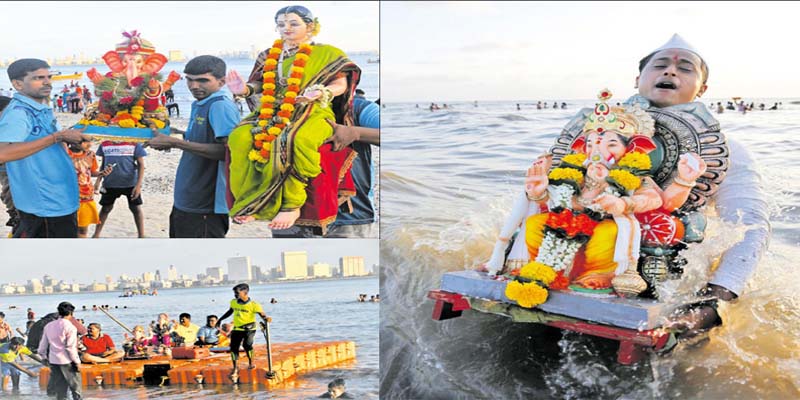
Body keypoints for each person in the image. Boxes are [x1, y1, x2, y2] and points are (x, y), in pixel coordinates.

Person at [225, 5, 362, 233]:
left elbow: (341, 84)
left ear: (310, 26)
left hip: (313, 110)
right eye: (281, 24)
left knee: (294, 138)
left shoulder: (328, 53)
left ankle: (292, 203)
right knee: (239, 137)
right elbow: (260, 83)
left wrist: (320, 93)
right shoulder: (269, 55)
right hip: (272, 110)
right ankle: (251, 202)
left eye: (293, 23)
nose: (286, 28)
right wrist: (244, 89)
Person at [147, 55, 240, 238]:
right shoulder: (201, 103)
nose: (194, 86)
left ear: (222, 81)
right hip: (188, 198)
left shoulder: (220, 106)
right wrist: (172, 133)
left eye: (202, 80)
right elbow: (201, 138)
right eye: (189, 80)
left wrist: (175, 143)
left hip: (205, 202)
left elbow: (229, 152)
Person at [0, 59, 91, 238]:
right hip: (44, 206)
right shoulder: (19, 113)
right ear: (17, 84)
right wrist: (58, 137)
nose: (47, 82)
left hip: (60, 199)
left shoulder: (41, 109)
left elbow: (47, 145)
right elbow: (3, 153)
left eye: (49, 77)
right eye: (38, 78)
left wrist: (72, 141)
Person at [279, 93, 381, 238]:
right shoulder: (285, 106)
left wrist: (356, 133)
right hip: (292, 214)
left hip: (349, 216)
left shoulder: (358, 108)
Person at [91, 140, 146, 238]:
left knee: (135, 208)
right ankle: (96, 234)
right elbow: (103, 164)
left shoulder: (134, 144)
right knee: (105, 209)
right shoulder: (104, 144)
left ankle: (141, 235)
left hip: (130, 184)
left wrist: (138, 186)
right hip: (110, 183)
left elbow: (141, 165)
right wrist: (98, 181)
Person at [217, 283, 270, 378]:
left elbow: (262, 314)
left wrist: (266, 318)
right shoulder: (234, 302)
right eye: (234, 293)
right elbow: (230, 311)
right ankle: (235, 367)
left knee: (247, 345)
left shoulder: (254, 304)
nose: (235, 295)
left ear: (245, 292)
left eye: (237, 293)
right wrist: (220, 319)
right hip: (237, 328)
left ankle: (251, 362)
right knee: (233, 347)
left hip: (249, 329)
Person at [38, 302, 82, 400]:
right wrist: (77, 362)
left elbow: (42, 347)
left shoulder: (49, 326)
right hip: (67, 361)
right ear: (71, 313)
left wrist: (44, 357)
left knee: (60, 390)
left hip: (54, 361)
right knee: (76, 389)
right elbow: (70, 347)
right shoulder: (70, 327)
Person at [68, 140, 112, 237]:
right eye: (84, 141)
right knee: (68, 229)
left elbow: (91, 171)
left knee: (83, 230)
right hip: (67, 199)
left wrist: (101, 173)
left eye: (89, 140)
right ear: (72, 140)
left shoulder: (90, 154)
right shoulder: (64, 154)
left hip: (86, 198)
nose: (89, 144)